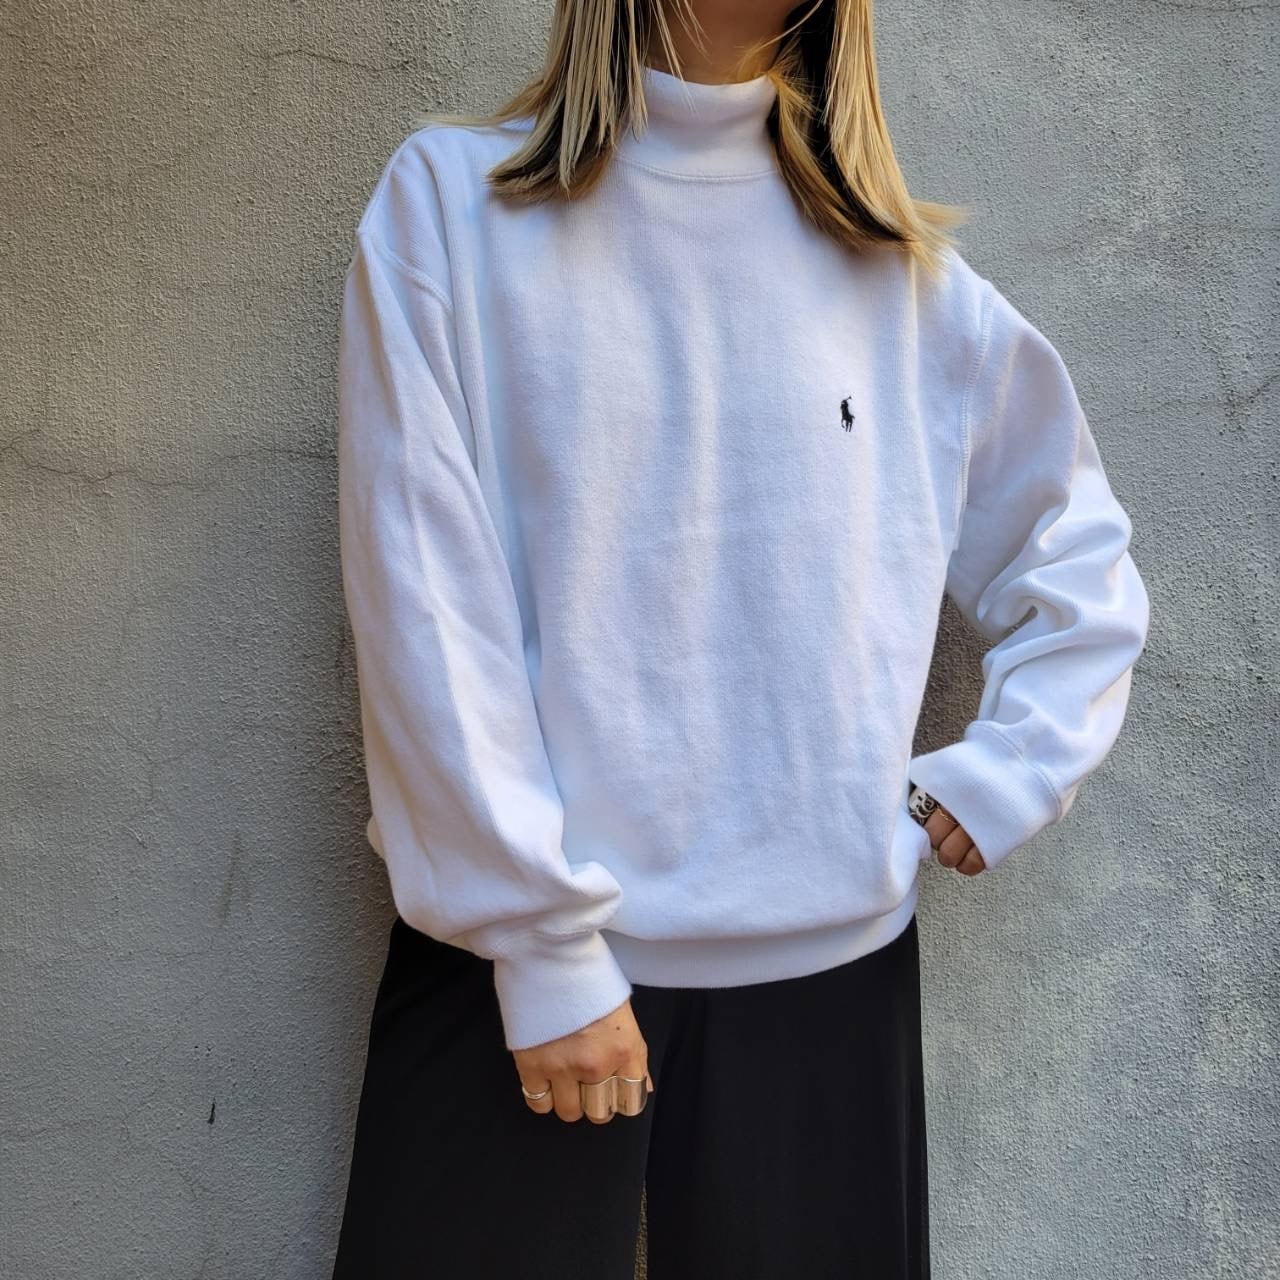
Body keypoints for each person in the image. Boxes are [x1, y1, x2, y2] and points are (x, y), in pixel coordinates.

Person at [329, 0, 1151, 1275]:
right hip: (509, 974)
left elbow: (1075, 563)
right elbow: (422, 591)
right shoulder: (451, 206)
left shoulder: (908, 283)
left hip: (827, 977)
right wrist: (539, 944)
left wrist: (1009, 767)